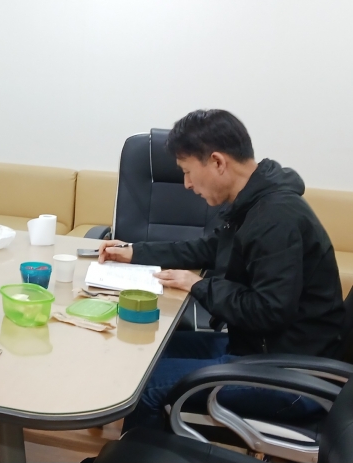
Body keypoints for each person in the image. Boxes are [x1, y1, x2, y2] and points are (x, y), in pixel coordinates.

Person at [98, 109, 347, 431]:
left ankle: (144, 451)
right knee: (146, 352)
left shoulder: (276, 219)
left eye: (188, 172)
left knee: (141, 385)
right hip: (259, 350)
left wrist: (197, 285)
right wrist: (134, 252)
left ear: (217, 162)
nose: (187, 184)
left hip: (292, 376)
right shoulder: (253, 202)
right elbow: (208, 248)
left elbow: (268, 310)